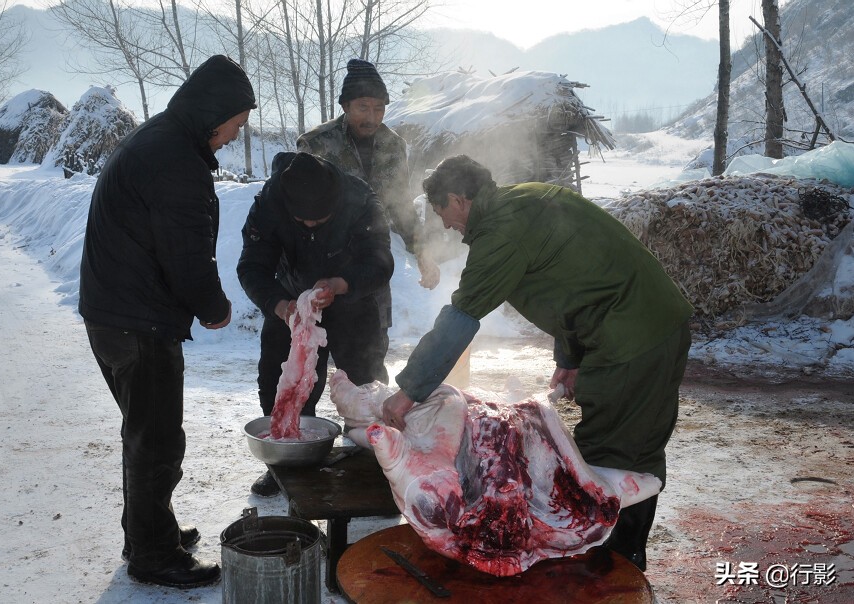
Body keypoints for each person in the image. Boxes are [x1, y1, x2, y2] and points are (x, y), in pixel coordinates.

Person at [380, 155, 693, 572]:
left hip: (627, 340)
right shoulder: (530, 199)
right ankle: (628, 557)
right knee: (641, 445)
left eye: (442, 213)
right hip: (660, 324)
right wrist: (571, 358)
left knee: (604, 460)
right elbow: (572, 284)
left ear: (458, 199)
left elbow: (460, 318)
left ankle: (604, 569)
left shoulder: (500, 234)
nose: (446, 225)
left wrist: (408, 393)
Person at [78, 55, 256, 589]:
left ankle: (147, 532)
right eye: (236, 125)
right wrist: (215, 307)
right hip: (138, 321)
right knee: (156, 441)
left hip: (114, 314)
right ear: (215, 115)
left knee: (144, 433)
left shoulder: (161, 140)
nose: (233, 136)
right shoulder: (176, 159)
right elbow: (185, 252)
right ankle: (154, 555)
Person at [237, 151, 394, 496]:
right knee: (281, 381)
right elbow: (251, 266)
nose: (310, 226)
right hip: (290, 302)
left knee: (364, 384)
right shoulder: (269, 203)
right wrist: (280, 306)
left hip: (352, 301)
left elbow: (380, 262)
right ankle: (283, 461)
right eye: (302, 220)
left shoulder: (361, 200)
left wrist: (342, 284)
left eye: (319, 220)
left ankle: (376, 463)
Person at [297, 58, 440, 360]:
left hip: (370, 265)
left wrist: (422, 251)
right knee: (309, 360)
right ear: (346, 106)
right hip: (321, 264)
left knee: (369, 361)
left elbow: (401, 204)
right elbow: (296, 212)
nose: (372, 117)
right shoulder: (316, 144)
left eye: (379, 108)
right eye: (363, 107)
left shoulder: (393, 145)